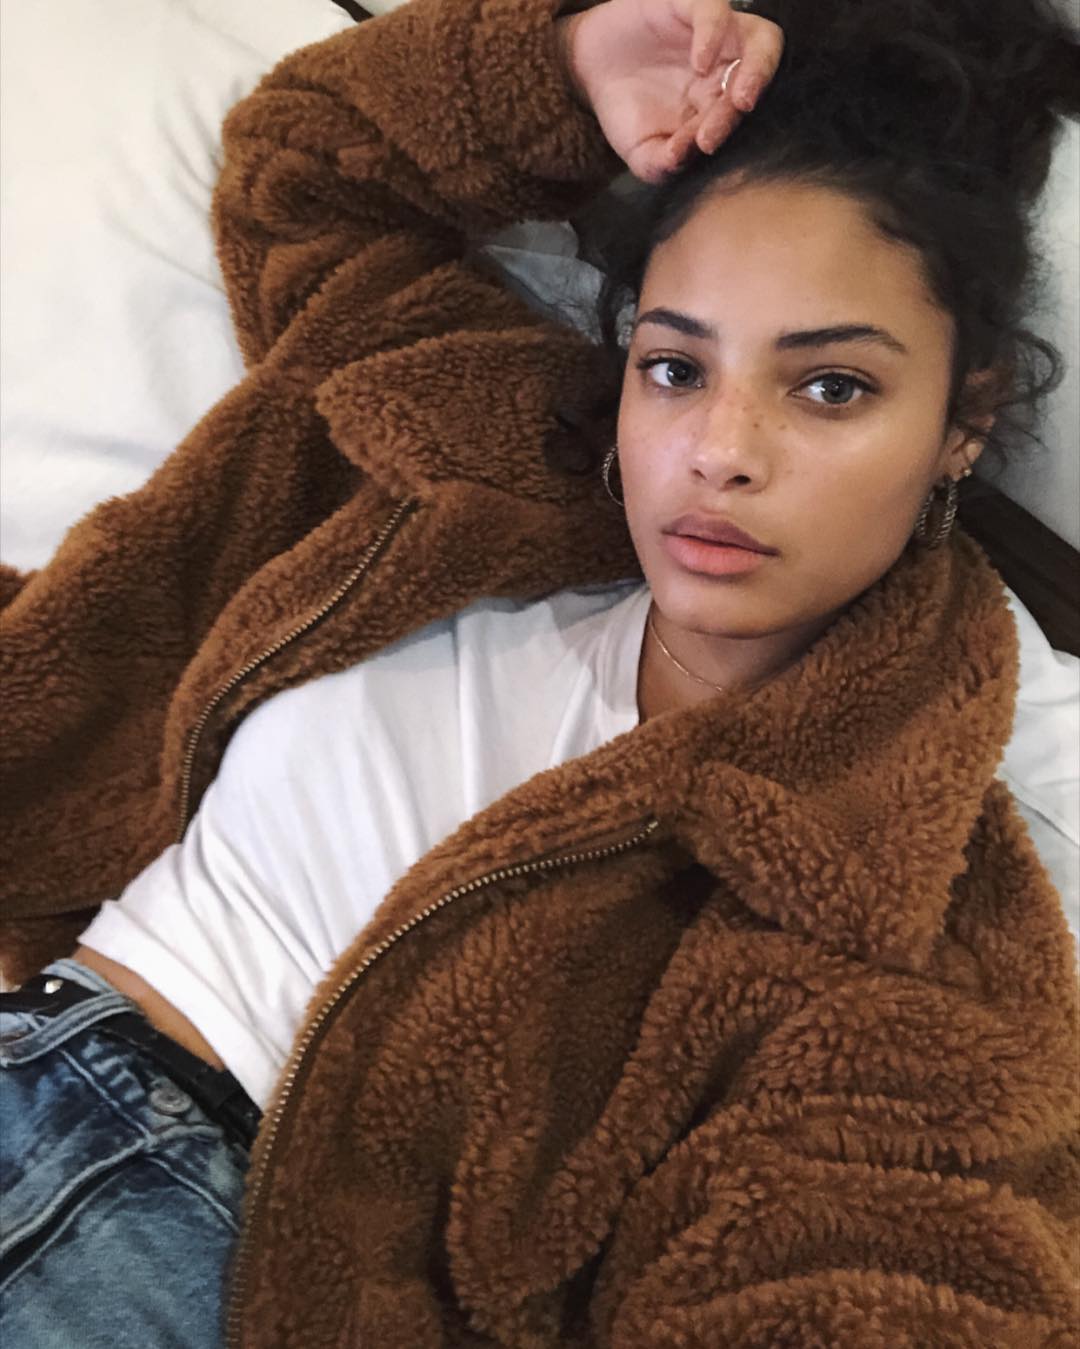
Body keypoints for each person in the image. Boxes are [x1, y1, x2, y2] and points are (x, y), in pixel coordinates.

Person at [1, 0, 1078, 1344]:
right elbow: (304, 167)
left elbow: (888, 1258)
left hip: (172, 1241)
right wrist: (563, 73)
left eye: (832, 389)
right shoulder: (472, 440)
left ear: (964, 421)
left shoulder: (895, 901)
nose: (719, 450)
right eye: (676, 367)